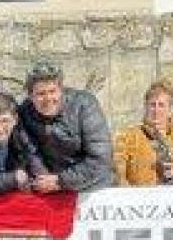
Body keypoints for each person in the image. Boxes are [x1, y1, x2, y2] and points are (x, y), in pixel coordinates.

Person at [18, 61, 113, 193]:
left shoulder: (84, 106)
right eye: (41, 94)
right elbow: (30, 152)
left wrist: (60, 181)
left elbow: (100, 158)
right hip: (48, 187)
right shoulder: (25, 112)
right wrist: (43, 178)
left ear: (61, 90)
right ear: (30, 96)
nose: (48, 98)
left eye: (52, 91)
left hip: (91, 187)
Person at [113, 81, 173, 186]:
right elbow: (117, 173)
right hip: (141, 194)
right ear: (146, 107)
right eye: (152, 105)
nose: (156, 111)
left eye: (161, 105)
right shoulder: (128, 137)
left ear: (170, 110)